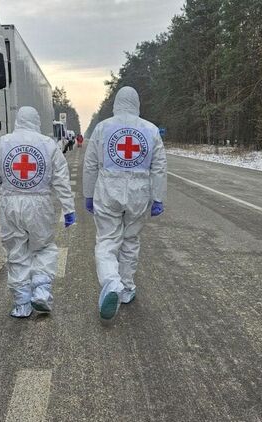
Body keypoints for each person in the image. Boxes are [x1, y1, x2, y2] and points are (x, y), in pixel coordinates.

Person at [0, 106, 76, 318]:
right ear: (36, 121)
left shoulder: (2, 143)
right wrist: (68, 208)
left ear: (18, 120)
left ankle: (22, 303)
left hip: (10, 204)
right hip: (40, 204)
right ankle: (41, 291)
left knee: (16, 251)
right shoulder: (48, 144)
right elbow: (61, 179)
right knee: (43, 247)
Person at [83, 87, 167, 320]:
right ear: (137, 103)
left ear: (117, 103)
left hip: (108, 190)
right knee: (130, 240)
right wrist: (158, 197)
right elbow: (159, 167)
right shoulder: (150, 130)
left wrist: (88, 193)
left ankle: (112, 283)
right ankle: (127, 288)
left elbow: (90, 164)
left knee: (107, 241)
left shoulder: (103, 128)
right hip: (139, 193)